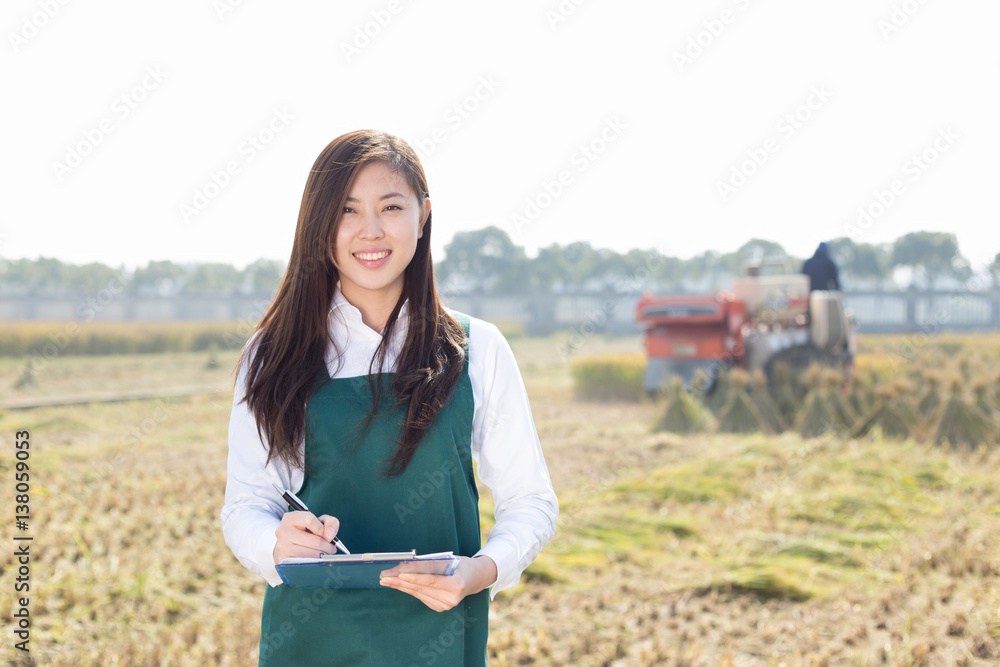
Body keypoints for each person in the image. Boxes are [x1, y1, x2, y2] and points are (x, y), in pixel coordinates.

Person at [220, 129, 558, 666]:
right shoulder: (274, 353)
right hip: (311, 638)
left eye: (391, 207)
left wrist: (481, 571)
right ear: (318, 225)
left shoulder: (477, 350)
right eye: (347, 210)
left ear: (423, 217)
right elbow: (246, 507)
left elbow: (530, 502)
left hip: (439, 637)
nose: (370, 231)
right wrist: (276, 543)